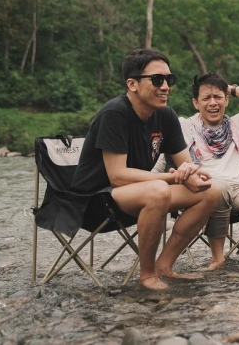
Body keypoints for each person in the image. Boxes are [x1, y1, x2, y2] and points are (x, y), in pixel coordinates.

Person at [71, 49, 220, 290]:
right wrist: (172, 178)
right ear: (132, 84)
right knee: (158, 190)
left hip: (136, 194)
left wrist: (191, 173)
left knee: (210, 192)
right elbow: (117, 175)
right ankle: (147, 275)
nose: (165, 87)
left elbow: (184, 162)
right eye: (157, 79)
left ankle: (164, 265)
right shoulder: (114, 113)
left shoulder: (166, 115)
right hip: (95, 201)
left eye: (169, 80)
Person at [153, 72, 239, 272]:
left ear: (226, 100)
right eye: (206, 98)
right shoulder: (183, 126)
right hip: (202, 191)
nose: (213, 103)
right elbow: (162, 158)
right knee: (217, 187)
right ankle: (217, 258)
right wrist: (150, 181)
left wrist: (230, 88)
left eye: (218, 97)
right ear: (196, 103)